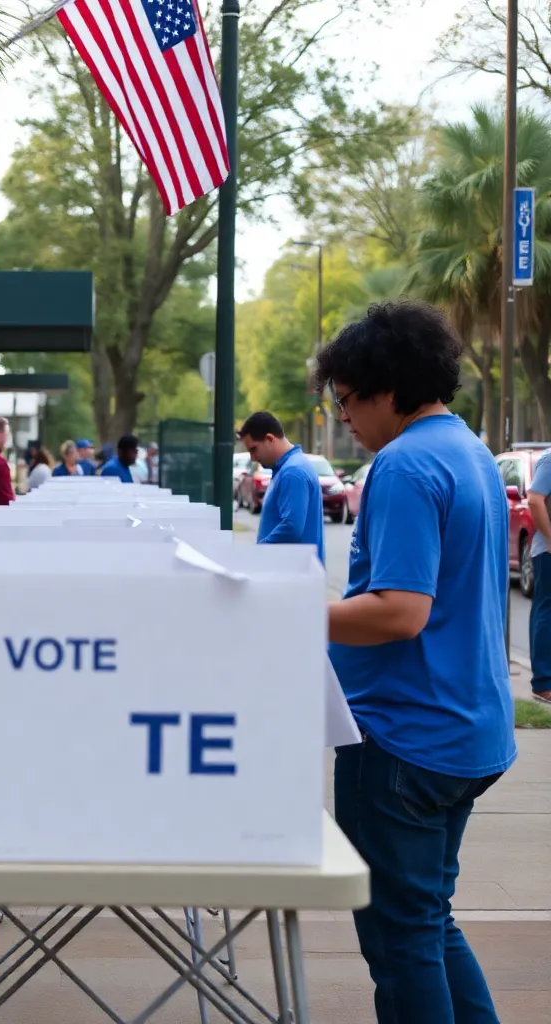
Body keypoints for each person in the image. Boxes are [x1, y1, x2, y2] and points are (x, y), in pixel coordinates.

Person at [319, 302, 516, 1024]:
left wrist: (291, 610)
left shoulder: (401, 466)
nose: (343, 417)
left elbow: (402, 611)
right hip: (467, 730)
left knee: (402, 942)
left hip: (403, 737)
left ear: (385, 386)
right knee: (429, 921)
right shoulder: (469, 451)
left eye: (345, 400)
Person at [238, 411, 325, 565]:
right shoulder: (289, 467)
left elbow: (292, 527)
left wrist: (258, 551)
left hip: (294, 576)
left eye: (253, 449)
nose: (252, 458)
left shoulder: (292, 472)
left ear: (269, 439)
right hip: (293, 573)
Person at [526, 453, 551, 704]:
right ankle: (544, 683)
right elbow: (535, 500)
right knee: (547, 611)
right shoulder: (550, 460)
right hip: (548, 553)